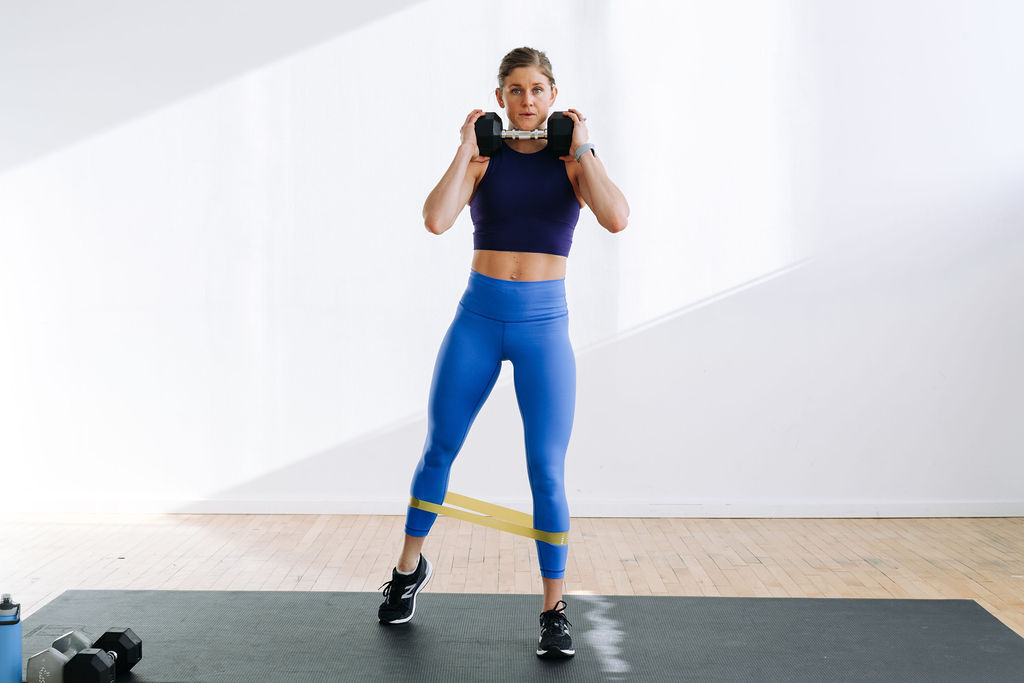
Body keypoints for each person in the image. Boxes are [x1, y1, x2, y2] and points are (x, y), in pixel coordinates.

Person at [377, 46, 629, 660]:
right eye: (515, 90)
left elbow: (617, 218)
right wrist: (465, 147)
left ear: (553, 95)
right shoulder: (484, 159)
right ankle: (408, 571)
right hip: (479, 320)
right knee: (440, 446)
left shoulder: (571, 160)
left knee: (546, 467)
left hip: (544, 327)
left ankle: (553, 609)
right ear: (500, 100)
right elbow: (436, 220)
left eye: (538, 89)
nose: (527, 100)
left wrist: (587, 146)